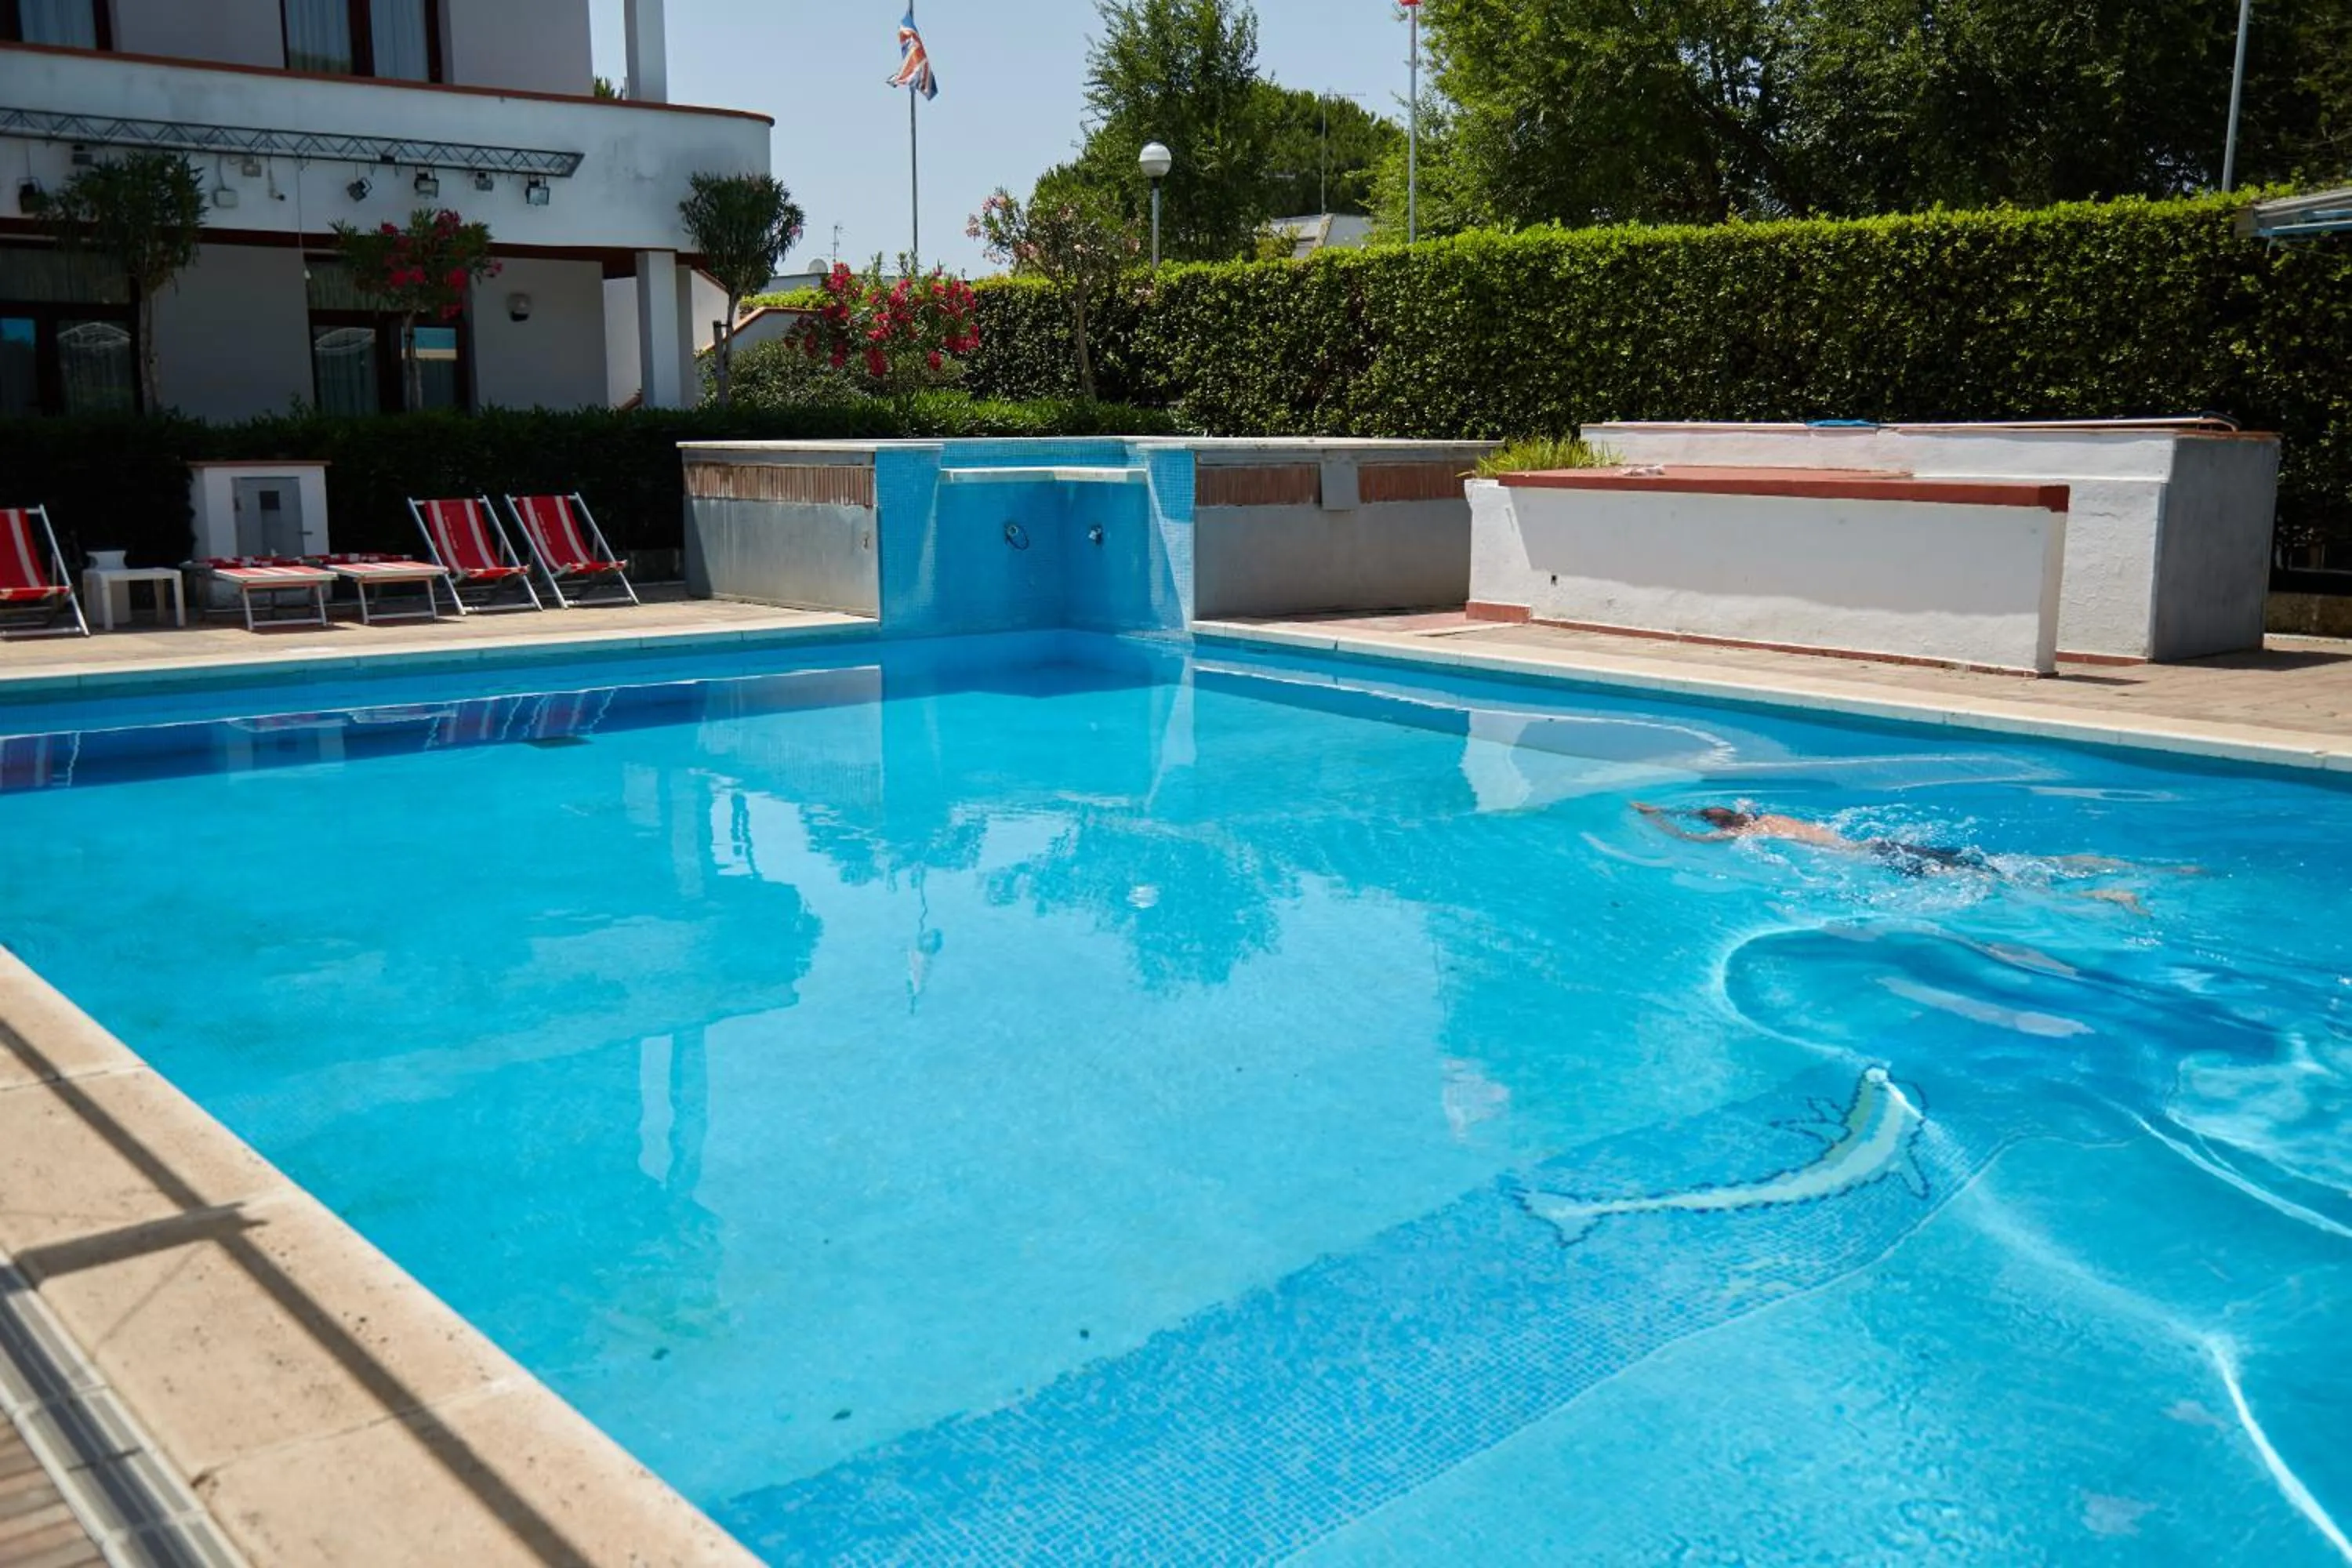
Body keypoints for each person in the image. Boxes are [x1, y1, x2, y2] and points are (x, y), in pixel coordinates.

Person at [1631, 801, 2183, 909]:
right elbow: (1736, 806)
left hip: (1882, 861)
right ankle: (2119, 868)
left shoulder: (1749, 835)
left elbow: (1693, 840)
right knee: (2000, 862)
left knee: (2002, 885)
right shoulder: (1770, 814)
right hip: (1888, 844)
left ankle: (2100, 896)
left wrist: (1656, 817)